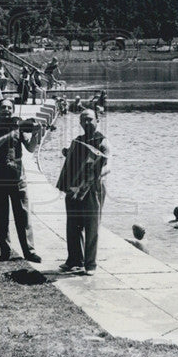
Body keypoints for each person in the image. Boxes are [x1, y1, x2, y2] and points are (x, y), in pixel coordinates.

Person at [0, 99, 42, 263]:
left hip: (17, 175)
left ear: (13, 110)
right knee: (1, 214)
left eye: (9, 108)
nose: (6, 110)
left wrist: (36, 133)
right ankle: (5, 250)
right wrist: (7, 136)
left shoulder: (19, 127)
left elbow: (30, 148)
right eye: (3, 107)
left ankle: (29, 251)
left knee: (23, 214)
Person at [56, 108, 109, 275]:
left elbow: (108, 166)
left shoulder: (103, 142)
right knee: (73, 224)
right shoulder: (77, 141)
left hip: (93, 189)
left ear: (97, 121)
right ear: (80, 122)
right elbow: (74, 162)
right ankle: (73, 260)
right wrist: (68, 154)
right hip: (74, 188)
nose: (87, 122)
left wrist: (95, 175)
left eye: (90, 119)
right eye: (84, 120)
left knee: (91, 227)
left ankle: (90, 264)